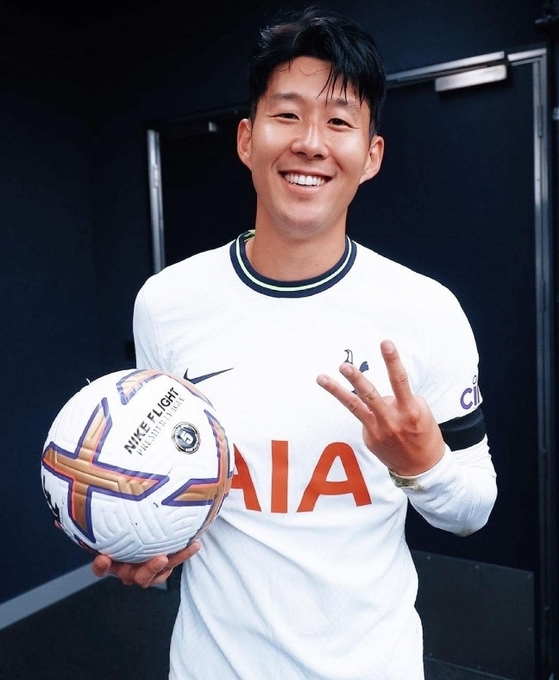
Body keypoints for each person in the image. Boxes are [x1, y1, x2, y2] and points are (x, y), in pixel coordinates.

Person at [92, 6, 497, 678]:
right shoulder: (165, 304)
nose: (310, 143)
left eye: (338, 122)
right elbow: (168, 480)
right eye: (287, 114)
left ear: (370, 156)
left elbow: (472, 510)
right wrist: (143, 544)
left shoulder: (427, 312)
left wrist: (422, 464)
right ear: (247, 139)